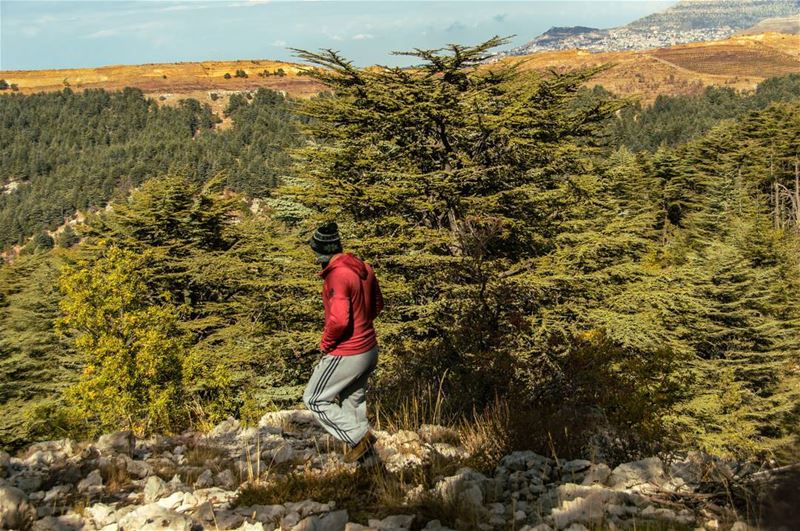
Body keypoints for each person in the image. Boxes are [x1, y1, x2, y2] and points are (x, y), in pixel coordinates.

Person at [302, 221, 384, 463]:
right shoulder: (365, 268)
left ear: (323, 251)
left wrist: (326, 343)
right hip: (369, 349)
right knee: (353, 406)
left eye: (316, 252)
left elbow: (338, 321)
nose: (316, 258)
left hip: (348, 351)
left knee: (315, 398)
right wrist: (362, 323)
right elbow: (378, 305)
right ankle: (370, 468)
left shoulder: (337, 275)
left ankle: (361, 437)